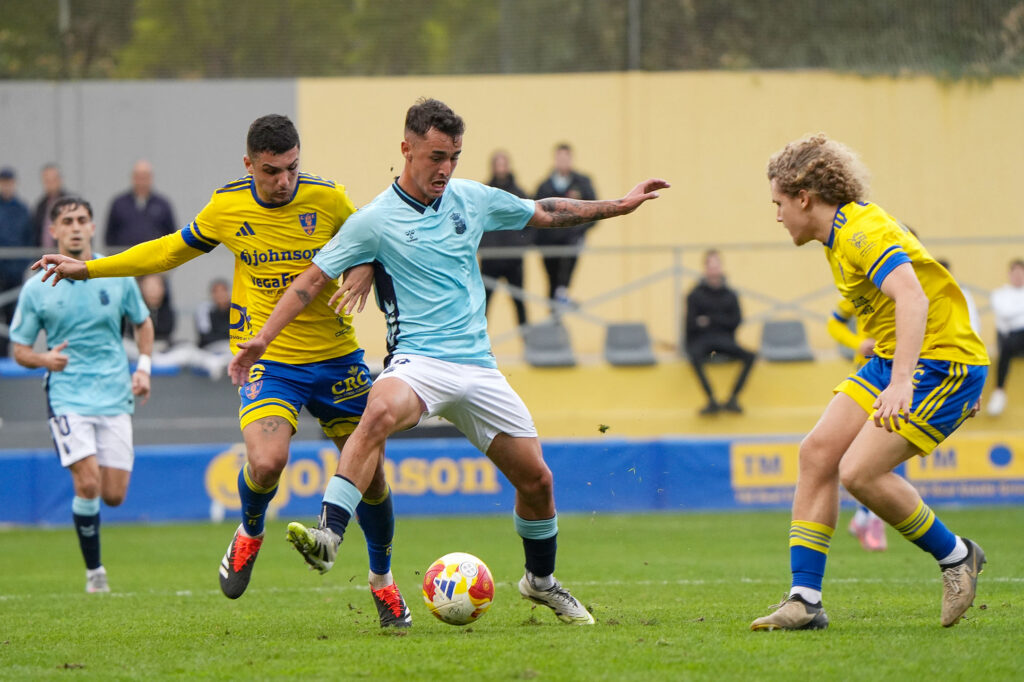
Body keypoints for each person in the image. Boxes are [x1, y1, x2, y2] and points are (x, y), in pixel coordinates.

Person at [227, 97, 669, 625]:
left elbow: (544, 211)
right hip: (418, 362)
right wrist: (262, 339)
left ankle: (541, 582)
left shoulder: (471, 198)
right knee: (378, 410)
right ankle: (329, 535)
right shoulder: (374, 220)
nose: (445, 168)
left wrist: (618, 206)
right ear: (406, 149)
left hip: (479, 368)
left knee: (538, 482)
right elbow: (310, 282)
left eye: (454, 157)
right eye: (436, 156)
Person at [32, 115, 411, 628]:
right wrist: (92, 268)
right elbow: (168, 250)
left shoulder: (328, 199)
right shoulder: (227, 206)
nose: (284, 180)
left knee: (374, 481)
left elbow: (377, 240)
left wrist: (365, 265)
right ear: (249, 164)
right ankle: (250, 531)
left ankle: (383, 582)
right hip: (270, 358)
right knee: (267, 462)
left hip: (338, 357)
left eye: (293, 167)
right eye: (272, 171)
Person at [752, 134, 990, 631]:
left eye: (778, 203)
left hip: (939, 363)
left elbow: (914, 298)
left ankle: (957, 556)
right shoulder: (839, 236)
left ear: (803, 198)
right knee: (817, 453)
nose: (776, 216)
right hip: (894, 357)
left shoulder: (860, 231)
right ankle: (804, 601)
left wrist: (902, 382)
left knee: (859, 473)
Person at [10, 196, 154, 593]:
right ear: (53, 231)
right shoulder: (37, 287)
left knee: (114, 496)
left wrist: (143, 368)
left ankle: (94, 559)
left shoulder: (116, 273)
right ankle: (95, 573)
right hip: (68, 395)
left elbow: (142, 322)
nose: (75, 227)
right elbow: (19, 349)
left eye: (82, 220)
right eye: (67, 221)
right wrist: (43, 359)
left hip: (114, 392)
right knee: (87, 483)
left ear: (92, 228)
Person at [826, 297, 887, 551]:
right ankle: (870, 519)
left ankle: (865, 517)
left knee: (884, 449)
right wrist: (858, 343)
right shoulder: (859, 292)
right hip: (866, 376)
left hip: (900, 376)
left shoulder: (907, 291)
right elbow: (834, 324)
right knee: (873, 450)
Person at [684, 249, 756, 415]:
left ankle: (733, 399)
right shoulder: (695, 294)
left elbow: (736, 321)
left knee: (750, 356)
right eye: (710, 265)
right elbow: (691, 323)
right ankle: (711, 400)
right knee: (693, 356)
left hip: (725, 341)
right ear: (705, 268)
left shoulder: (730, 295)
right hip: (703, 341)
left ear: (721, 267)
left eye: (717, 265)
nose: (714, 269)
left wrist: (709, 319)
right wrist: (721, 320)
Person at [533, 143, 596, 310]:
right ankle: (554, 316)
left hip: (572, 239)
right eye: (559, 158)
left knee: (565, 275)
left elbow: (595, 209)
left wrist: (579, 230)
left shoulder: (582, 183)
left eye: (566, 158)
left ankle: (562, 296)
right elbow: (535, 211)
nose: (563, 162)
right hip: (549, 241)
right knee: (552, 280)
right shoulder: (545, 186)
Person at [479, 150, 531, 327]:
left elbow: (532, 223)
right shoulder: (483, 194)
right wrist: (483, 246)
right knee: (483, 304)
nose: (501, 168)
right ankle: (479, 339)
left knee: (519, 303)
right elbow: (475, 221)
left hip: (514, 260)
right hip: (490, 260)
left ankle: (526, 340)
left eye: (503, 164)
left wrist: (521, 244)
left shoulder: (519, 193)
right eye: (498, 165)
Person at [0, 166, 34, 357]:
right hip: (0, 272)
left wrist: (22, 264)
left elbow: (29, 239)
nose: (6, 186)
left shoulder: (22, 209)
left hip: (15, 273)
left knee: (15, 316)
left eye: (9, 183)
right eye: (3, 182)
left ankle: (14, 356)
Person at [104, 160, 178, 247]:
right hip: (126, 253)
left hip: (155, 253)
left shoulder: (163, 204)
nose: (142, 180)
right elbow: (110, 235)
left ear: (151, 178)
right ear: (133, 178)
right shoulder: (119, 203)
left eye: (145, 176)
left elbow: (172, 235)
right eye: (138, 176)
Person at [986, 258, 1024, 417]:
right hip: (1009, 339)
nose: (1018, 276)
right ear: (1010, 274)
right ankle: (999, 392)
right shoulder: (1000, 294)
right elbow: (1005, 313)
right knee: (1008, 345)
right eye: (1016, 273)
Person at [192, 277, 234, 380]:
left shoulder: (237, 310)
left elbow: (240, 336)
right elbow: (205, 337)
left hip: (230, 349)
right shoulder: (204, 309)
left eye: (223, 291)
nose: (220, 295)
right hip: (210, 350)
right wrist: (225, 335)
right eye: (216, 291)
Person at [33, 163, 70, 248]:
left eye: (53, 180)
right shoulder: (41, 205)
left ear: (60, 180)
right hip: (43, 253)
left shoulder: (70, 203)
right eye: (47, 181)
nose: (50, 184)